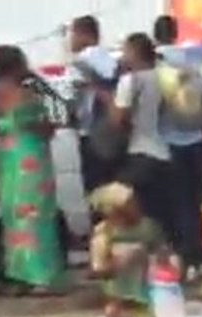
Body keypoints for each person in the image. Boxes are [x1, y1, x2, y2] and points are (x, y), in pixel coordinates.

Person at [0, 45, 66, 292]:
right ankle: (41, 275)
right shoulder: (29, 93)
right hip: (32, 155)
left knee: (13, 216)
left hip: (7, 156)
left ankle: (18, 273)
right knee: (38, 215)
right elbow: (51, 121)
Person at [153, 14, 202, 269]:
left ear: (155, 35)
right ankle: (196, 247)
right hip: (196, 139)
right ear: (175, 33)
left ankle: (180, 252)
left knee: (173, 200)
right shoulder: (192, 61)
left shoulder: (155, 65)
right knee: (195, 199)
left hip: (167, 140)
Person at [108, 33, 175, 247]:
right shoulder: (169, 78)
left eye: (125, 52)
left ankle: (143, 255)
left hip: (142, 153)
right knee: (164, 213)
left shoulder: (129, 81)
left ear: (134, 53)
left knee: (129, 207)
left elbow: (118, 120)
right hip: (170, 153)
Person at [88, 182, 165, 317]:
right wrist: (121, 261)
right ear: (115, 211)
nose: (136, 206)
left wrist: (169, 261)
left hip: (149, 292)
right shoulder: (104, 233)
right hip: (120, 299)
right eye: (130, 204)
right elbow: (98, 269)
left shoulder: (148, 227)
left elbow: (162, 251)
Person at [68, 15, 119, 194]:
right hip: (115, 132)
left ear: (86, 35)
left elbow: (71, 99)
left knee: (96, 191)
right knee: (115, 189)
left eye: (73, 34)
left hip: (91, 136)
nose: (70, 40)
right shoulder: (113, 61)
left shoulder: (80, 63)